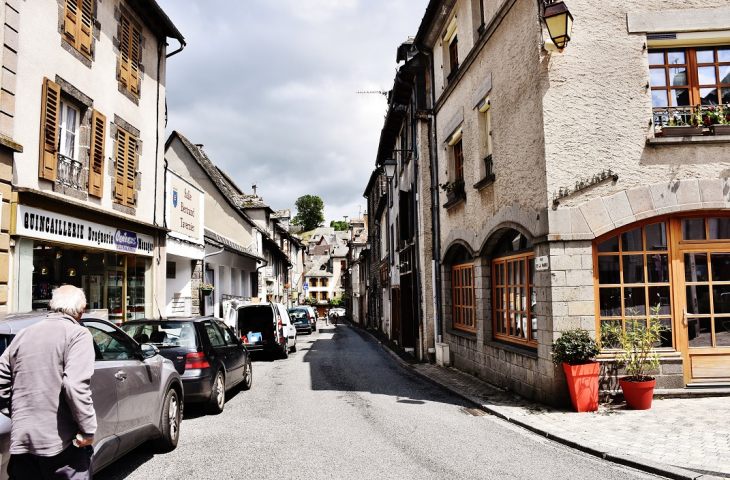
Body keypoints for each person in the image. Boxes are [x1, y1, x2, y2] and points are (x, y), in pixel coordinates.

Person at [0, 285, 97, 480]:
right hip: (61, 442)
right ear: (82, 309)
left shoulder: (23, 334)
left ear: (51, 305)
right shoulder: (78, 334)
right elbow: (75, 386)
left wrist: (17, 412)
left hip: (23, 440)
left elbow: (1, 380)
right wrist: (87, 430)